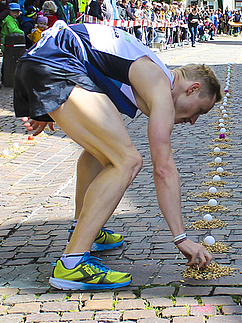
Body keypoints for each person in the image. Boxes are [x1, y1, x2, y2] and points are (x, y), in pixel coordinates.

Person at [14, 21, 222, 290]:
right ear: (192, 88)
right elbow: (164, 169)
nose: (193, 120)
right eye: (200, 110)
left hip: (44, 61)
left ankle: (87, 229)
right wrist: (181, 238)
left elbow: (85, 54)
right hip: (56, 64)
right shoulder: (159, 83)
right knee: (127, 161)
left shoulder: (144, 71)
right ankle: (72, 263)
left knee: (101, 152)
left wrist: (46, 108)